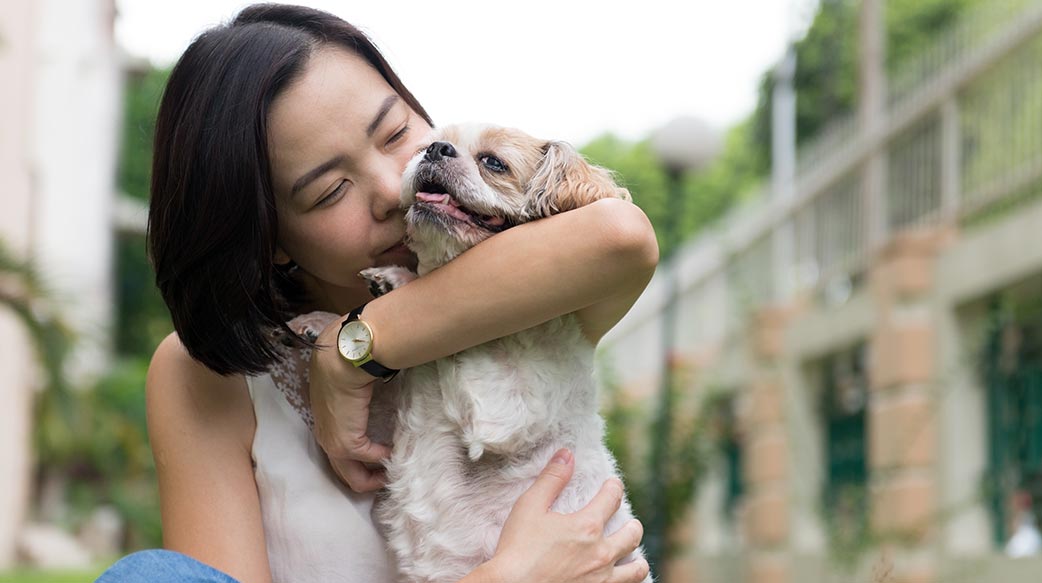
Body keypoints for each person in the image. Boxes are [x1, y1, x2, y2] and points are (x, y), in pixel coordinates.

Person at [98, 4, 658, 582]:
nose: (395, 188)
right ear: (269, 241)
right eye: (331, 189)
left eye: (396, 133)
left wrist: (353, 351)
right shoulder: (207, 379)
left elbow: (620, 234)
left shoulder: (532, 289)